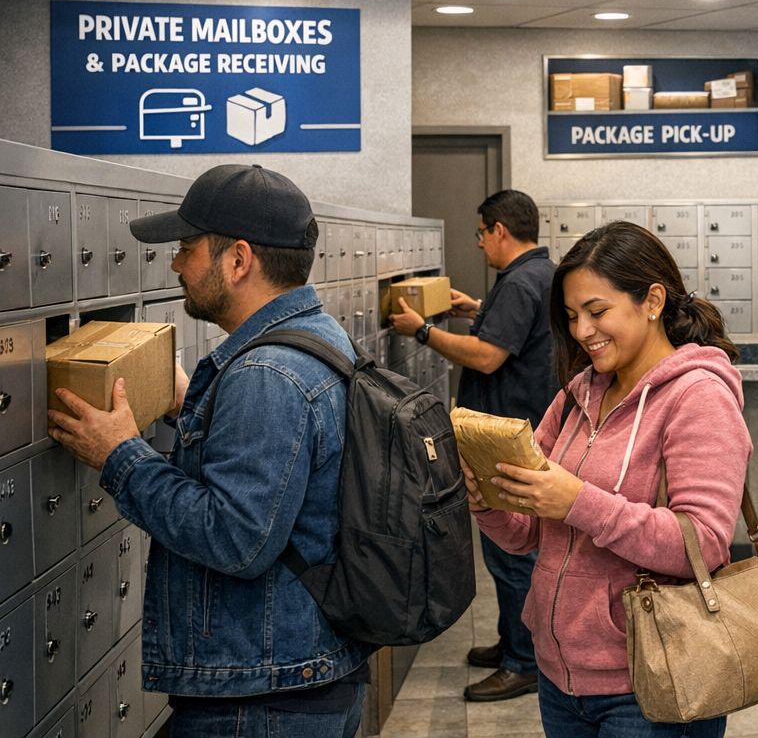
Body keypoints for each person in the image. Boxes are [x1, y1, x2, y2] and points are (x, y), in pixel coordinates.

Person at [46, 165, 373, 738]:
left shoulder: (268, 372)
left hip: (262, 697)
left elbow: (236, 539)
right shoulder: (316, 336)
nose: (175, 265)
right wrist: (192, 411)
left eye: (186, 247)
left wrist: (120, 454)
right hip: (301, 676)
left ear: (238, 259)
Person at [461, 220, 751, 738]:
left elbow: (703, 545)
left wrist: (578, 501)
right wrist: (487, 500)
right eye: (572, 317)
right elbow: (529, 531)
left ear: (653, 300)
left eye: (597, 312)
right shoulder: (578, 394)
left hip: (653, 679)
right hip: (561, 676)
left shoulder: (698, 397)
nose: (581, 331)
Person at [389, 189, 556, 703]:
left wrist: (423, 333)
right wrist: (476, 309)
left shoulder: (519, 280)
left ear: (499, 230)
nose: (481, 245)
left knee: (511, 557)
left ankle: (523, 662)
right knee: (513, 554)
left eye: (481, 234)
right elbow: (520, 332)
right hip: (526, 423)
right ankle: (514, 642)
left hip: (507, 434)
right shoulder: (541, 275)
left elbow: (487, 358)